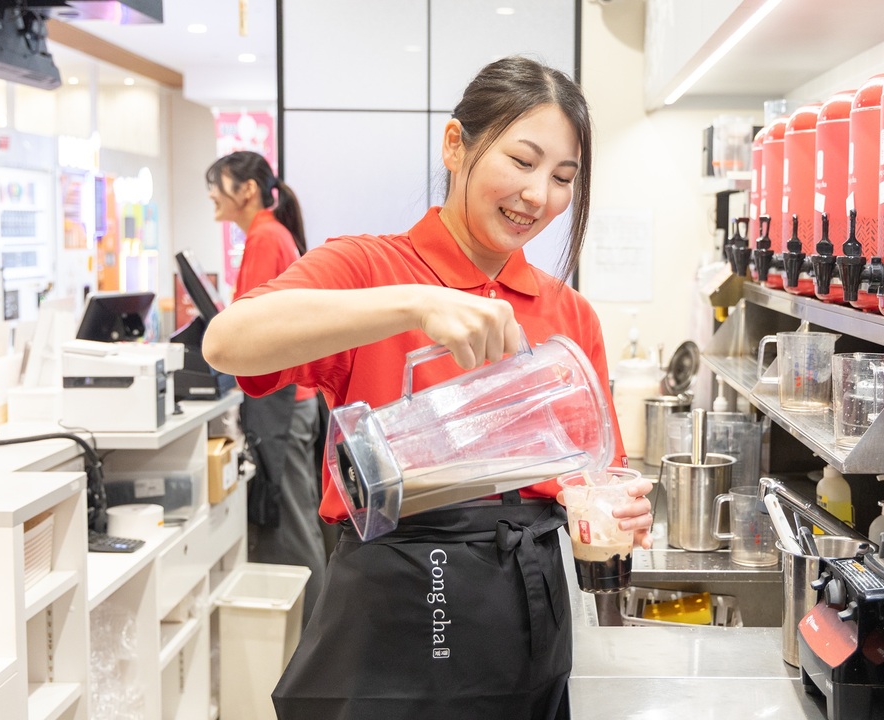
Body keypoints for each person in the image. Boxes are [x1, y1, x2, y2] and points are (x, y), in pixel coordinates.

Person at [202, 56, 654, 720]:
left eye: (563, 178)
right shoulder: (370, 269)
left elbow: (591, 468)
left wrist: (620, 503)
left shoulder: (567, 313)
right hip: (398, 608)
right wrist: (412, 305)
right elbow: (228, 342)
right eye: (522, 161)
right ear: (455, 146)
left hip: (530, 619)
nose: (539, 195)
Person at [205, 150, 325, 624]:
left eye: (218, 183)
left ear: (246, 190)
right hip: (293, 401)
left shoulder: (264, 237)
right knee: (299, 521)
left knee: (293, 529)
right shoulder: (272, 233)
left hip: (283, 403)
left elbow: (246, 329)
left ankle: (316, 638)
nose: (212, 193)